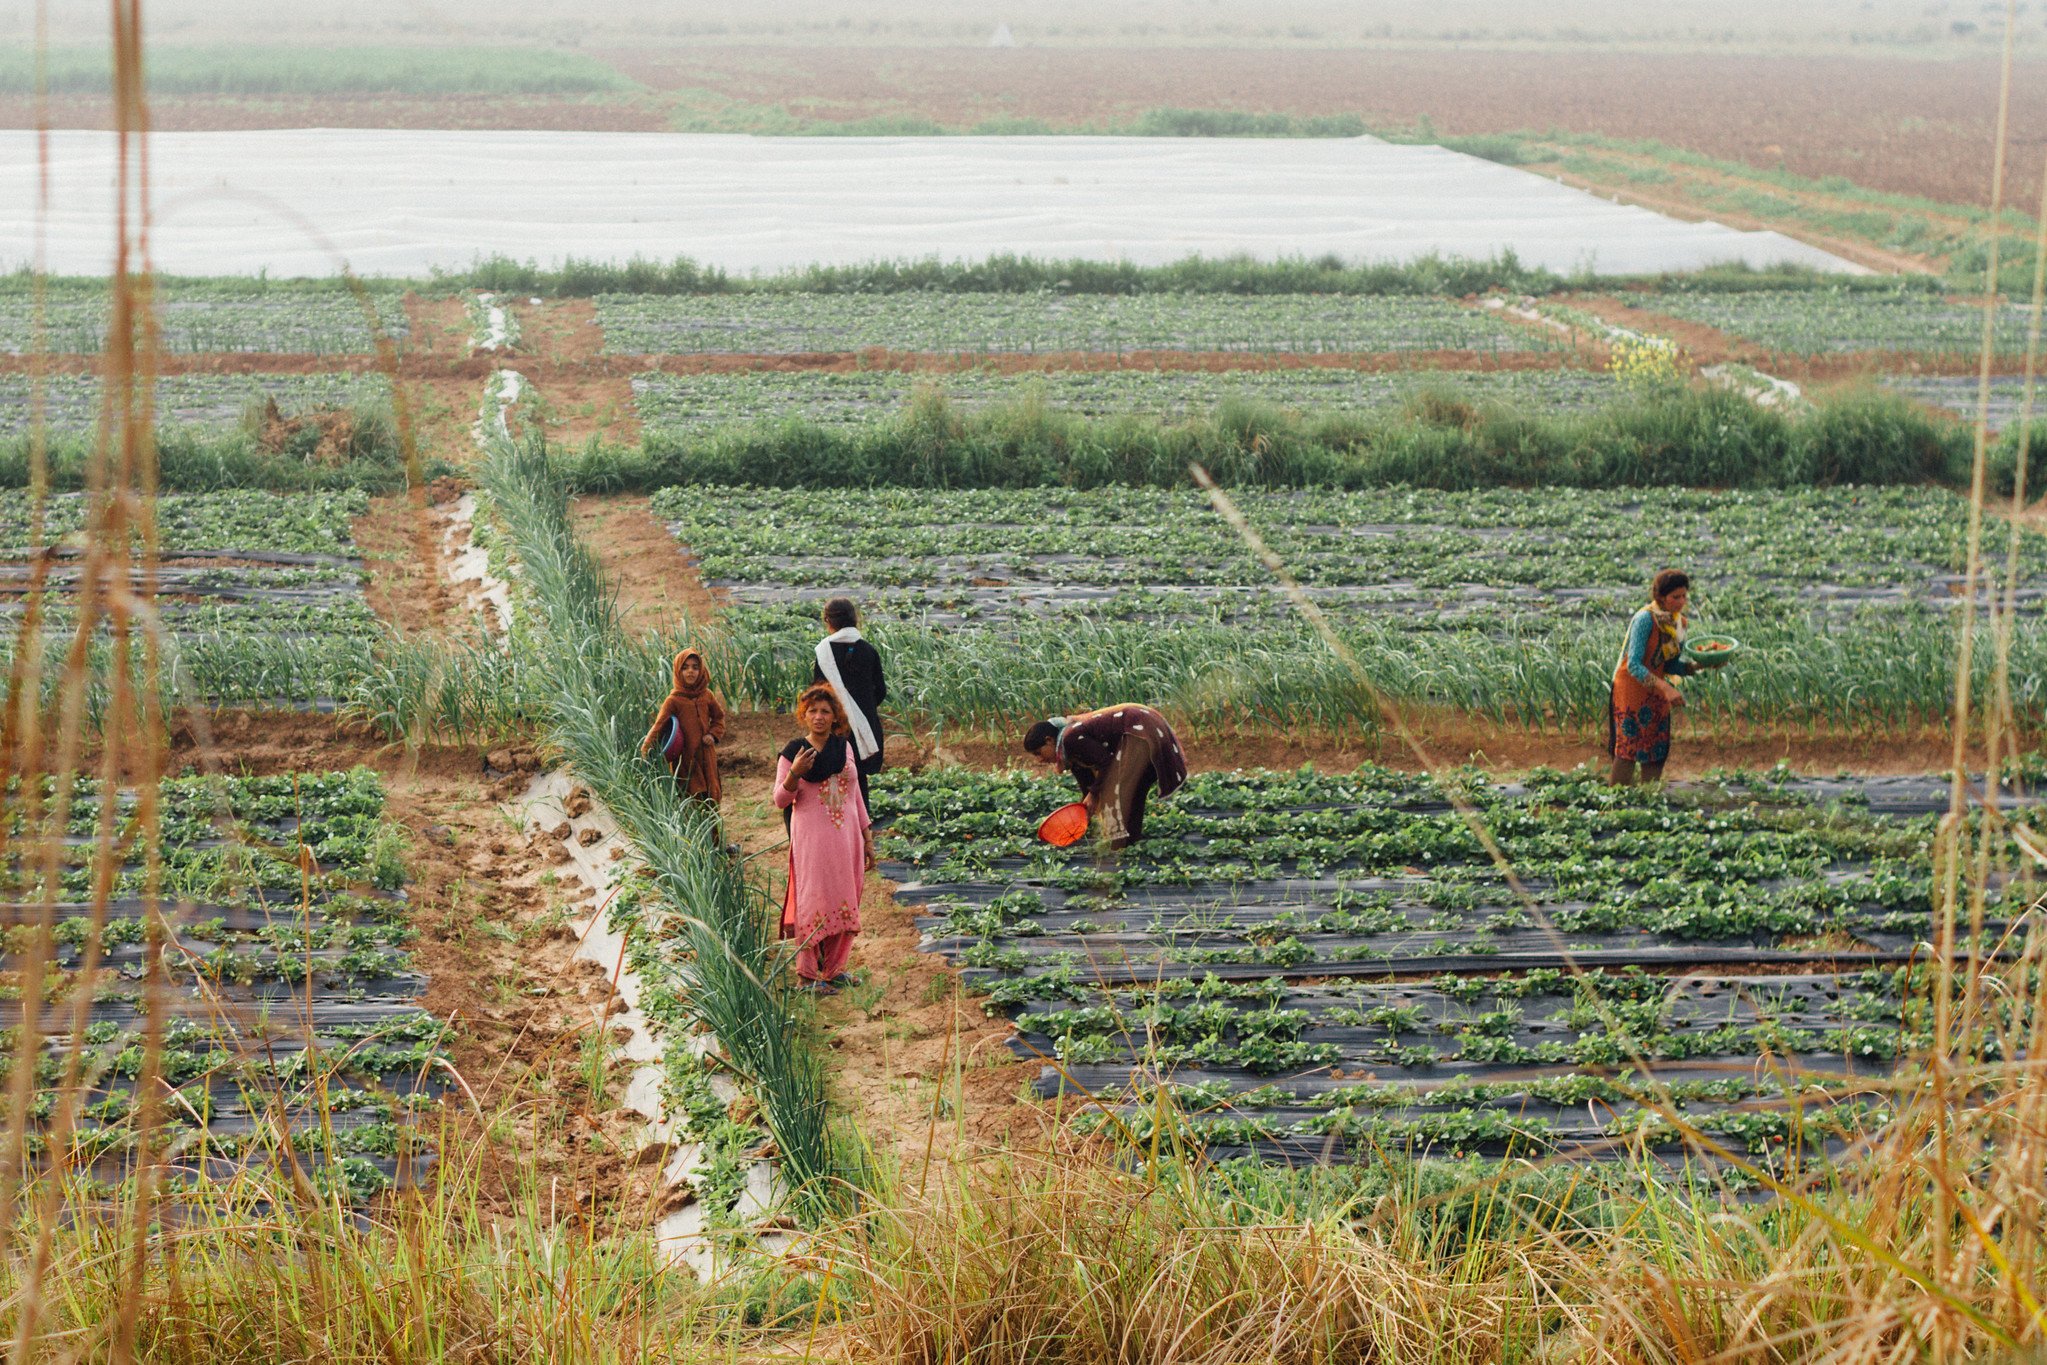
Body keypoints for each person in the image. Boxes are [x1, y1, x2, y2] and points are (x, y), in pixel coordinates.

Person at [773, 684, 876, 992]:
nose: (818, 717)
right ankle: (807, 976)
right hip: (812, 841)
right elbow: (779, 799)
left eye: (825, 711)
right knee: (814, 901)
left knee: (846, 899)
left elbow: (855, 794)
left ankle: (833, 969)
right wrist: (795, 772)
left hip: (847, 839)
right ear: (804, 715)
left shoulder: (843, 748)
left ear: (835, 718)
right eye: (813, 711)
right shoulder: (794, 752)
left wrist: (867, 838)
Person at [1608, 568, 1719, 786]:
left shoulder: (1679, 624)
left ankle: (1649, 798)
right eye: (1675, 597)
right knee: (1628, 747)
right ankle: (1617, 801)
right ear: (1660, 597)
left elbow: (1670, 664)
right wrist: (1666, 689)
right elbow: (1634, 665)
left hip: (1656, 688)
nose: (1681, 602)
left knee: (1656, 747)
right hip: (1631, 688)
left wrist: (1700, 665)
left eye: (1684, 596)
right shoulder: (1645, 619)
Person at [1023, 705, 1188, 849]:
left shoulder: (1070, 739)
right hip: (1137, 734)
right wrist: (1084, 810)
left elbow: (1107, 764)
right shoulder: (1070, 751)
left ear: (1049, 740)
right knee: (1128, 787)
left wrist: (1094, 795)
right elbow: (1088, 784)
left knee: (1129, 787)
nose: (1039, 760)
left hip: (1141, 729)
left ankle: (1126, 842)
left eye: (1038, 752)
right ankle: (1128, 841)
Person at [811, 598, 887, 807]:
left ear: (828, 621)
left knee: (835, 778)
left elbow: (818, 694)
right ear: (854, 618)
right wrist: (862, 712)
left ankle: (841, 831)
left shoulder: (824, 652)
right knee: (859, 780)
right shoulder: (868, 650)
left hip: (835, 730)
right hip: (865, 729)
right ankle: (864, 834)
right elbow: (880, 691)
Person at [639, 648, 726, 803]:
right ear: (678, 671)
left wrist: (713, 734)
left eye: (695, 667)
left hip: (707, 756)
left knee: (712, 799)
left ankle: (713, 828)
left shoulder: (706, 695)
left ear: (701, 670)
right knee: (691, 800)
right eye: (685, 668)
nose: (690, 672)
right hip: (686, 760)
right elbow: (658, 727)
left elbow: (719, 717)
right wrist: (645, 753)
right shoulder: (673, 701)